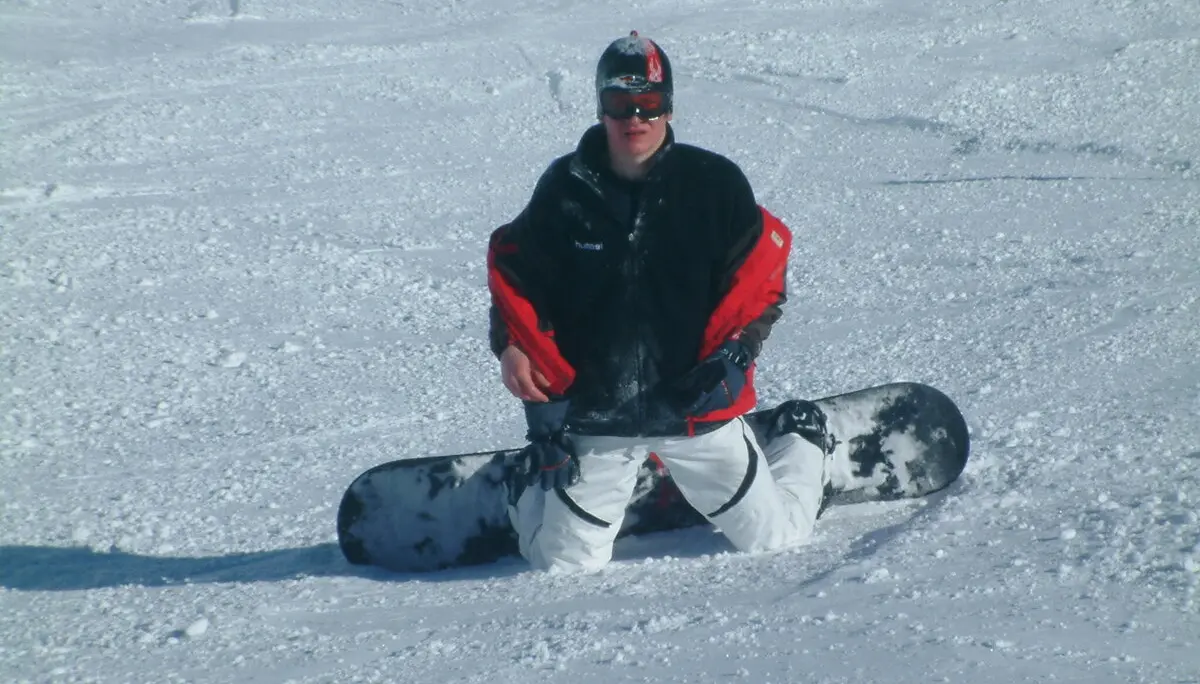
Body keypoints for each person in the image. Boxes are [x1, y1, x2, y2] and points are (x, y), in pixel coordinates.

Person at [486, 32, 831, 572]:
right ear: (601, 107)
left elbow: (762, 286)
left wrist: (738, 355)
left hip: (696, 410)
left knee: (777, 539)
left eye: (648, 104)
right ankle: (528, 490)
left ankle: (801, 437)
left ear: (668, 106)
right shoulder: (564, 190)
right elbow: (518, 279)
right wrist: (509, 345)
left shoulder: (714, 186)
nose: (635, 119)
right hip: (597, 415)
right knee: (564, 565)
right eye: (620, 105)